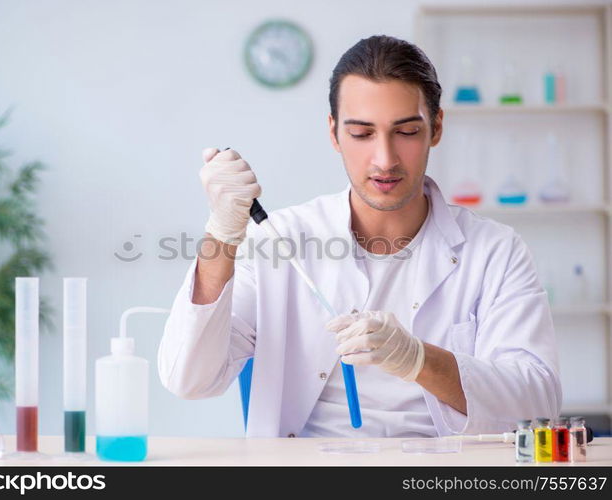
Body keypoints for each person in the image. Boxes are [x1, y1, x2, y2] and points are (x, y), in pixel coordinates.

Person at [158, 35, 561, 438]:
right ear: (334, 133)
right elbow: (190, 380)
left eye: (405, 131)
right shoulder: (281, 241)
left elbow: (537, 403)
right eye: (362, 134)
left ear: (436, 128)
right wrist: (222, 234)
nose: (385, 159)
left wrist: (419, 359)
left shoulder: (495, 251)